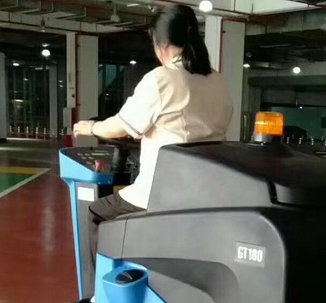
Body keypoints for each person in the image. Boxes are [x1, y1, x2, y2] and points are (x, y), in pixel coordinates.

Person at [73, 4, 233, 270]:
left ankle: (96, 291)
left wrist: (91, 127)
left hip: (161, 195)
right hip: (206, 193)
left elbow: (119, 127)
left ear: (160, 43)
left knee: (95, 212)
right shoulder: (217, 81)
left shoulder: (161, 79)